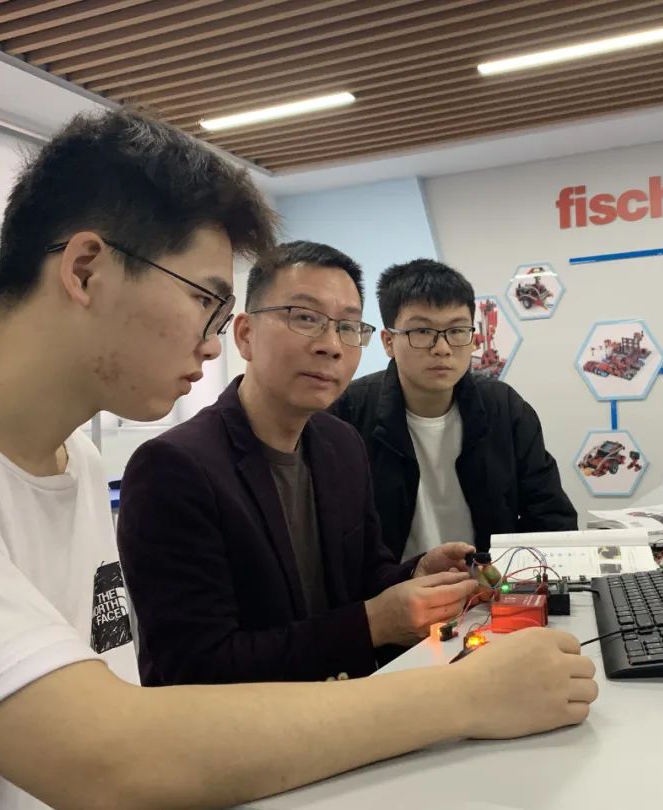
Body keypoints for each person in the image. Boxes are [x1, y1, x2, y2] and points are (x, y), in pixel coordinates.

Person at [0, 109, 597, 810]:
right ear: (87, 270)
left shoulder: (76, 462)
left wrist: (411, 590)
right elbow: (109, 756)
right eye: (204, 300)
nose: (209, 344)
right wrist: (468, 695)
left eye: (347, 327)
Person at [117, 241, 480, 685]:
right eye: (305, 318)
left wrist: (416, 573)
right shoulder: (174, 468)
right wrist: (372, 624)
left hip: (350, 706)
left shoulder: (341, 444)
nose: (331, 346)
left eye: (348, 326)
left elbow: (366, 576)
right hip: (251, 725)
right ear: (245, 334)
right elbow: (195, 666)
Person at [330, 259, 577, 562]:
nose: (442, 348)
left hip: (491, 583)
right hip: (394, 587)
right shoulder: (346, 414)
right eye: (422, 331)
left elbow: (551, 517)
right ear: (388, 341)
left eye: (457, 330)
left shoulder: (505, 409)